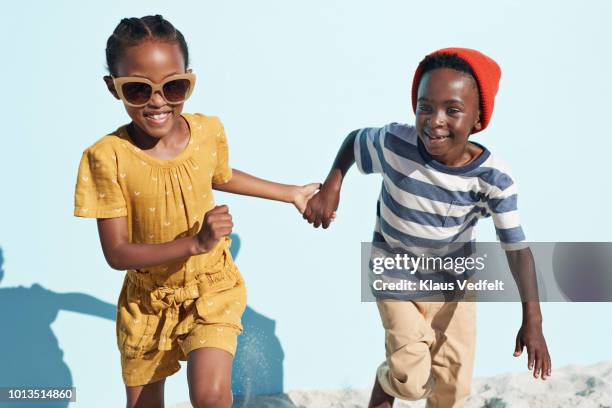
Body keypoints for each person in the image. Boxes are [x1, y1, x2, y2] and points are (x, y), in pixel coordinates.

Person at [74, 15, 319, 408]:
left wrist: (290, 193)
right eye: (138, 90)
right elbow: (116, 253)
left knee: (209, 396)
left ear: (189, 79)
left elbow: (219, 175)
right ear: (113, 87)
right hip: (147, 302)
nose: (158, 101)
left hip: (211, 285)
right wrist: (195, 242)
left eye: (173, 86)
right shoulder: (107, 158)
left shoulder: (207, 132)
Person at [303, 47, 551, 408]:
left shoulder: (493, 178)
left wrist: (533, 320)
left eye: (452, 110)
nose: (435, 120)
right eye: (425, 107)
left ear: (478, 117)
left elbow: (517, 251)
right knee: (411, 379)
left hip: (455, 287)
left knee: (453, 388)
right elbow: (355, 142)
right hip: (394, 276)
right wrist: (332, 186)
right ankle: (387, 382)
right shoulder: (395, 145)